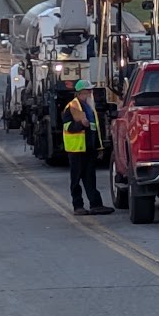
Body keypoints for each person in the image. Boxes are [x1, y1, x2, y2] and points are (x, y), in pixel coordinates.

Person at [63, 80, 112, 216]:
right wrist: (80, 125)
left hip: (88, 148)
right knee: (76, 178)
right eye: (87, 91)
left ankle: (96, 204)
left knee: (90, 177)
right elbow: (67, 127)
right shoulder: (72, 107)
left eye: (90, 91)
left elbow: (94, 129)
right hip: (77, 149)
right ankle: (78, 206)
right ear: (80, 93)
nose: (90, 93)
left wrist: (99, 147)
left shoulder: (89, 107)